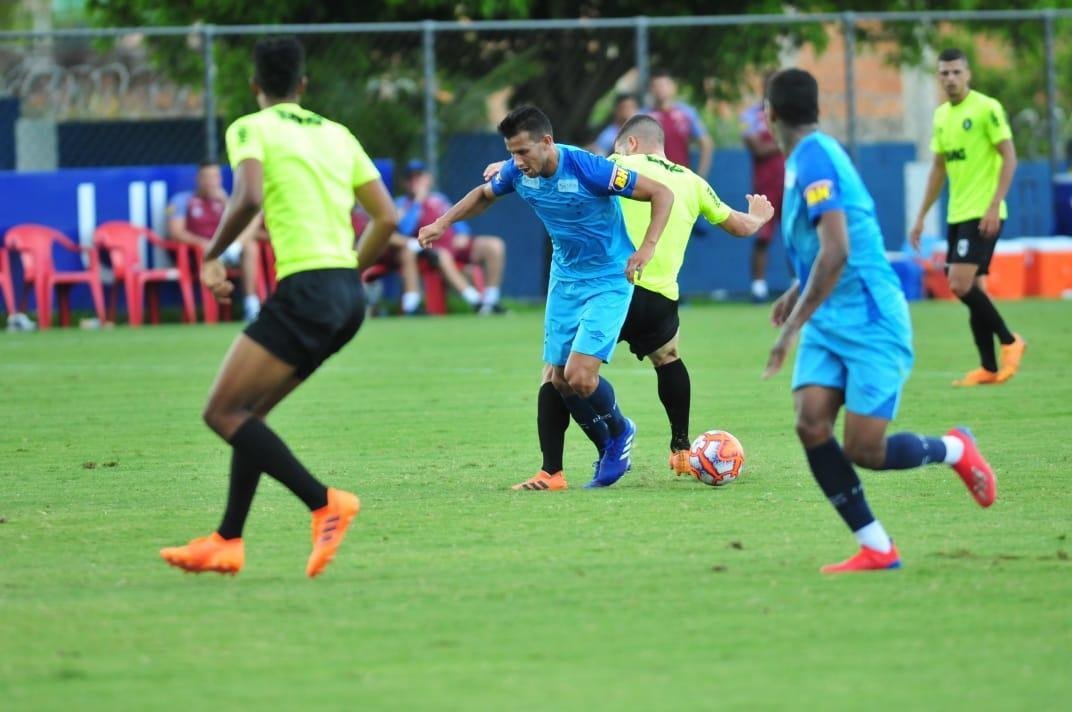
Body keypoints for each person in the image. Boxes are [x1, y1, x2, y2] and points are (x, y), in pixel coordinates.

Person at [159, 36, 397, 578]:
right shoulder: (338, 134)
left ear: (254, 86)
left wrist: (211, 254)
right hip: (346, 296)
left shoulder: (251, 127)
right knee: (250, 415)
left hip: (307, 291)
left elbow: (246, 196)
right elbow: (385, 218)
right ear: (303, 85)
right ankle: (227, 540)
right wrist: (347, 273)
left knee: (220, 413)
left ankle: (324, 502)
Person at [763, 68, 996, 573]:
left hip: (871, 317)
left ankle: (956, 449)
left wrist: (790, 329)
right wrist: (797, 290)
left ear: (770, 114)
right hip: (831, 313)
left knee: (864, 448)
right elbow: (828, 248)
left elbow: (840, 250)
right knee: (810, 422)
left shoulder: (816, 157)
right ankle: (877, 547)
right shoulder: (806, 157)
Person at [484, 115, 775, 478]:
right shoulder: (692, 181)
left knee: (557, 374)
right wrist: (759, 216)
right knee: (668, 358)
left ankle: (576, 459)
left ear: (630, 144)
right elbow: (741, 226)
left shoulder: (612, 165)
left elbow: (559, 163)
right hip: (657, 299)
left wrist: (512, 168)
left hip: (608, 284)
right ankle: (681, 450)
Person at [419, 105, 674, 490]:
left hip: (608, 277)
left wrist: (647, 248)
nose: (515, 161)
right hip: (565, 279)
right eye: (510, 152)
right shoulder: (517, 173)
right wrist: (442, 223)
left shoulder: (590, 168)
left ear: (547, 142)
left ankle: (621, 431)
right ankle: (563, 467)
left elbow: (662, 193)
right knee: (557, 378)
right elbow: (484, 195)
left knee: (580, 377)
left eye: (522, 151)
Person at [909, 48, 1025, 386]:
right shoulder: (942, 116)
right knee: (974, 288)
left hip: (984, 212)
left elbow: (1009, 158)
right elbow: (938, 169)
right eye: (944, 73)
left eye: (956, 72)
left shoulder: (987, 109)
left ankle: (1010, 340)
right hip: (957, 213)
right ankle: (989, 368)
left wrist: (993, 206)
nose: (950, 79)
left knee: (958, 284)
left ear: (968, 74)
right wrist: (920, 217)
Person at [396, 160, 507, 315]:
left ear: (428, 178)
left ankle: (491, 300)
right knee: (443, 256)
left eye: (419, 177)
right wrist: (418, 203)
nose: (416, 182)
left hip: (454, 244)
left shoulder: (438, 199)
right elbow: (405, 229)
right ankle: (476, 302)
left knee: (494, 245)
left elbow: (455, 216)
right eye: (412, 179)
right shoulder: (403, 204)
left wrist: (462, 233)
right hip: (429, 250)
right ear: (405, 183)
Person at [167, 161, 263, 321]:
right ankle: (230, 251)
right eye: (207, 177)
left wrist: (227, 202)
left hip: (226, 249)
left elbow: (243, 223)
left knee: (251, 241)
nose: (212, 182)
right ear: (198, 179)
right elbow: (176, 232)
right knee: (249, 228)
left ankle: (251, 304)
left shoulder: (226, 201)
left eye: (215, 177)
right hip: (200, 254)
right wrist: (206, 245)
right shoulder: (182, 200)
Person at [740, 72, 785, 302]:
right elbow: (757, 148)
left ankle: (801, 283)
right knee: (762, 236)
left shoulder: (790, 114)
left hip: (790, 183)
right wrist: (785, 140)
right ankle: (758, 288)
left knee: (794, 233)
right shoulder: (750, 116)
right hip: (765, 184)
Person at [647, 69, 713, 178]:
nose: (660, 89)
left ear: (673, 87)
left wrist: (701, 175)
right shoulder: (645, 116)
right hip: (655, 179)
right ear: (651, 89)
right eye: (656, 86)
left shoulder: (686, 114)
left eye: (664, 85)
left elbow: (706, 143)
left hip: (681, 177)